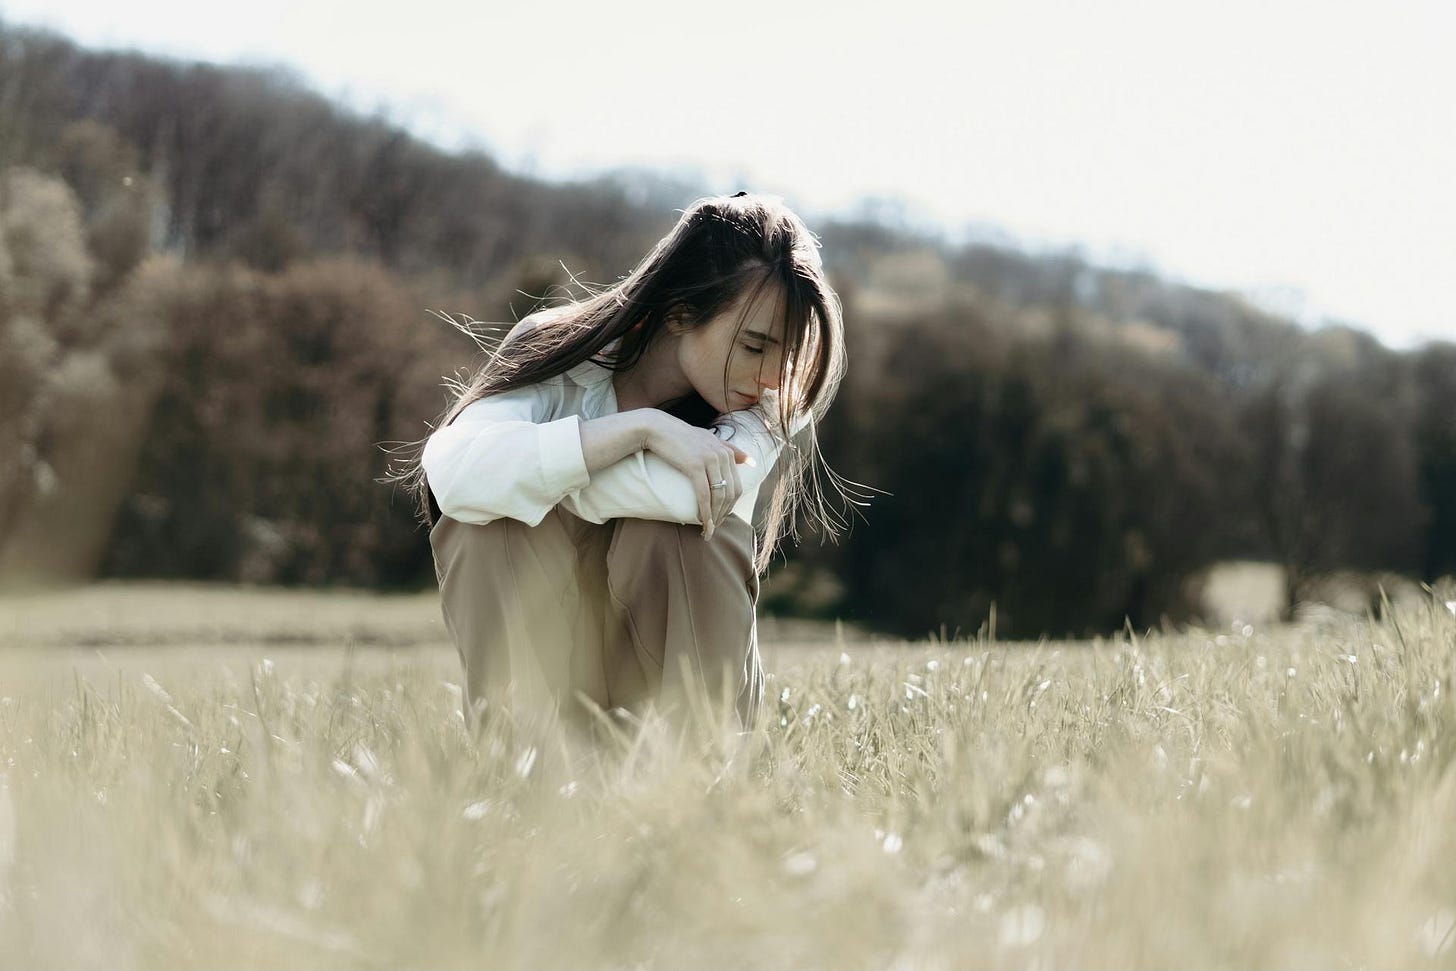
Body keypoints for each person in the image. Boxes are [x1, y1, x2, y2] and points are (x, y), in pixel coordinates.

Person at [391, 192, 855, 741]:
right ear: (681, 312)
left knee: (681, 526)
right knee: (484, 523)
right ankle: (527, 766)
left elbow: (684, 496)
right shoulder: (559, 349)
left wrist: (541, 472)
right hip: (549, 698)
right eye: (755, 346)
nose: (775, 376)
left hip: (675, 712)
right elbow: (450, 470)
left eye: (790, 353)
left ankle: (686, 780)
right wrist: (642, 431)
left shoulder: (772, 406)